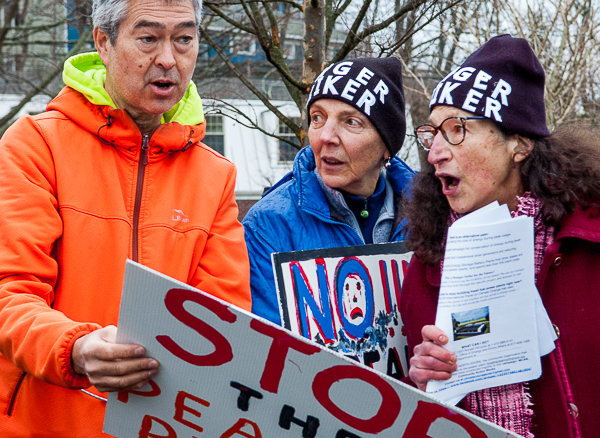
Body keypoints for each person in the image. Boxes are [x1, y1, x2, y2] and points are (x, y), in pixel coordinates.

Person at [0, 0, 251, 436]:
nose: (169, 59)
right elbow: (10, 293)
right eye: (149, 38)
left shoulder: (216, 175)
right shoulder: (34, 146)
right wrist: (73, 348)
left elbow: (223, 321)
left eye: (185, 39)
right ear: (103, 41)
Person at [400, 34, 600, 438]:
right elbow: (424, 421)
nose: (435, 151)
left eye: (456, 129)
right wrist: (422, 383)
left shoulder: (589, 242)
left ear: (520, 144)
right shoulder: (428, 267)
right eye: (432, 134)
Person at [243, 57, 414, 325]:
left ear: (386, 145)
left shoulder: (431, 216)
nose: (326, 136)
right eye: (318, 117)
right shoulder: (268, 224)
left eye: (351, 122)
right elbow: (266, 338)